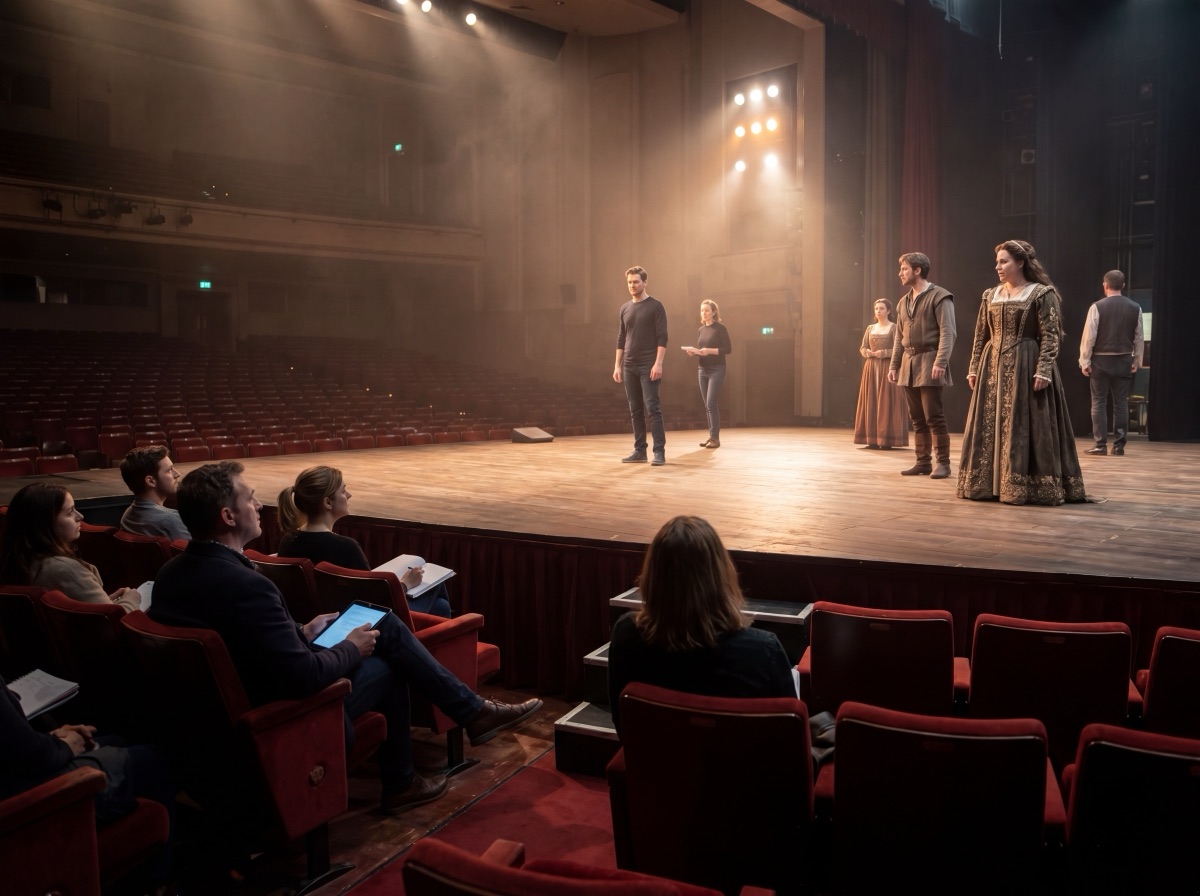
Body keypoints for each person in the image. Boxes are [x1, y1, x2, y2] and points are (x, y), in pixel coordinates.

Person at [149, 461, 542, 816]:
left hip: (214, 716)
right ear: (227, 516)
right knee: (387, 654)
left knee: (382, 625)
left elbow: (240, 643)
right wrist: (350, 647)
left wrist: (302, 631)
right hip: (283, 712)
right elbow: (303, 676)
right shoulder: (248, 585)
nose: (258, 506)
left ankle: (463, 718)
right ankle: (420, 762)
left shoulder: (172, 574)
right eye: (250, 499)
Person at [606, 516, 795, 734]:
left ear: (652, 576)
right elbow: (788, 740)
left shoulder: (625, 635)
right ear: (721, 576)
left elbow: (623, 725)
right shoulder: (763, 650)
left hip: (658, 765)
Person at [1, 673, 174, 885]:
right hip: (18, 811)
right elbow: (30, 756)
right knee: (151, 760)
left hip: (14, 776)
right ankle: (158, 883)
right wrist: (65, 745)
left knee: (116, 741)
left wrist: (54, 737)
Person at [957, 239, 1086, 505]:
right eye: (997, 262)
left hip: (1026, 363)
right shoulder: (990, 295)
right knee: (991, 424)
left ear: (1020, 263)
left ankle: (1024, 485)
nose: (998, 267)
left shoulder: (1040, 293)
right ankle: (987, 484)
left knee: (1024, 424)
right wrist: (973, 367)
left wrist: (1044, 369)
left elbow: (1050, 335)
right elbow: (981, 335)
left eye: (1003, 261)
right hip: (991, 367)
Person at [276, 465, 452, 617]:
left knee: (440, 607)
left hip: (319, 618)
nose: (349, 495)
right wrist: (405, 584)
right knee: (435, 583)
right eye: (344, 491)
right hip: (355, 623)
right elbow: (373, 603)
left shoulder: (288, 541)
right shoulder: (345, 547)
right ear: (328, 503)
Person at [0, 483, 141, 612]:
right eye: (70, 512)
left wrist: (107, 601)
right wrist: (130, 601)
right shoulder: (64, 570)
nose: (80, 516)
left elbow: (71, 611)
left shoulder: (20, 561)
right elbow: (112, 623)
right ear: (45, 524)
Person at [889, 252, 956, 478]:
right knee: (917, 417)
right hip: (908, 364)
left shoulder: (940, 296)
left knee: (933, 416)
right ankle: (923, 461)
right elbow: (899, 337)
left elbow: (948, 332)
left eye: (904, 269)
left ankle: (944, 463)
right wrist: (894, 365)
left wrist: (941, 361)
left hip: (930, 360)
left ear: (917, 270)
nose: (900, 273)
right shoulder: (902, 302)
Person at [1079, 270, 1144, 457]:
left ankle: (1100, 445)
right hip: (1123, 359)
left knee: (1098, 402)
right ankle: (1119, 445)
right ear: (1123, 286)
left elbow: (1089, 337)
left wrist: (1085, 360)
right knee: (1121, 403)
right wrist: (1136, 360)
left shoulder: (1097, 307)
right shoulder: (1135, 307)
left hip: (1100, 360)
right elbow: (1139, 338)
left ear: (1105, 285)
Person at [614, 265, 669, 466]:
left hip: (649, 364)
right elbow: (621, 338)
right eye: (629, 282)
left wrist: (658, 364)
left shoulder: (656, 306)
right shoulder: (624, 308)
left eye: (636, 281)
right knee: (635, 410)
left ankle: (659, 452)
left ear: (645, 282)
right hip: (628, 365)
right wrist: (617, 366)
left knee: (652, 408)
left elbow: (663, 337)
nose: (632, 285)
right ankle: (639, 451)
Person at [853, 298, 910, 450]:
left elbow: (900, 349)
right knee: (871, 400)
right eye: (876, 308)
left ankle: (886, 439)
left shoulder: (894, 328)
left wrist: (883, 353)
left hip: (887, 367)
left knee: (886, 401)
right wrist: (867, 352)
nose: (878, 311)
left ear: (889, 311)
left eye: (882, 308)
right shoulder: (870, 328)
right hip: (871, 368)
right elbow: (862, 347)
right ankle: (871, 439)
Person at [683, 299, 732, 449]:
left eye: (707, 310)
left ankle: (715, 439)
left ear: (714, 312)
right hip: (702, 369)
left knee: (711, 403)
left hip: (717, 369)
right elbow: (703, 351)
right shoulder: (700, 330)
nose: (704, 313)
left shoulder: (720, 328)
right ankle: (711, 436)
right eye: (702, 310)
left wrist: (708, 351)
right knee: (707, 405)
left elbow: (728, 349)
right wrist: (695, 353)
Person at [119, 445, 190, 541]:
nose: (177, 474)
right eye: (169, 470)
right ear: (151, 481)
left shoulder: (126, 516)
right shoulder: (171, 520)